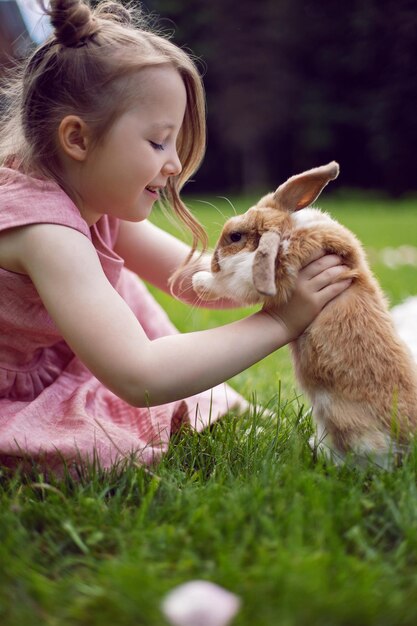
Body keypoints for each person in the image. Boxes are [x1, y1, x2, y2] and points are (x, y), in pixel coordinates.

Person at [0, 0, 351, 471]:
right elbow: (138, 374)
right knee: (101, 446)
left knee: (125, 295)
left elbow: (195, 279)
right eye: (158, 141)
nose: (174, 163)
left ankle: (225, 412)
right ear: (78, 139)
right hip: (20, 388)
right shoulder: (43, 229)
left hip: (55, 359)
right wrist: (280, 322)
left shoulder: (91, 197)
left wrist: (283, 267)